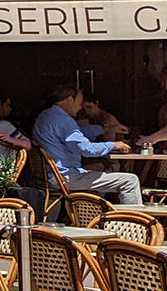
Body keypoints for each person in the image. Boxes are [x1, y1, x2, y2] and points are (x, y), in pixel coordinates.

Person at [34, 84, 165, 205]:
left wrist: (105, 129)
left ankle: (94, 213)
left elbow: (79, 132)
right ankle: (133, 225)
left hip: (50, 176)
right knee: (129, 181)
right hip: (66, 177)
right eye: (79, 103)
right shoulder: (64, 120)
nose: (80, 108)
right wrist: (113, 145)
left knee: (104, 170)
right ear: (69, 100)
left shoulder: (46, 116)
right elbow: (86, 149)